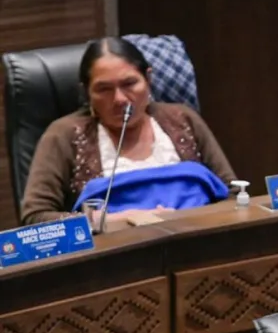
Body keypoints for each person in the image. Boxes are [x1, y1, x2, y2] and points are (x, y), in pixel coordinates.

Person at [20, 36, 236, 226]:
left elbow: (234, 194)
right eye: (104, 89)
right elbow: (35, 218)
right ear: (86, 92)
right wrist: (113, 221)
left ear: (148, 80)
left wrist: (191, 219)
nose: (120, 99)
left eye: (129, 84)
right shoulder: (64, 135)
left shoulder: (183, 119)